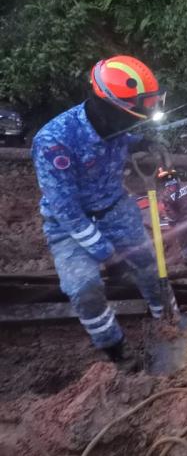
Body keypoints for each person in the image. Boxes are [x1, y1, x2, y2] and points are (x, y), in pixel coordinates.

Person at [31, 55, 167, 368]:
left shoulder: (115, 124)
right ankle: (117, 351)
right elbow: (67, 211)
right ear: (105, 106)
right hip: (69, 225)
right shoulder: (54, 143)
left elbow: (124, 138)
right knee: (85, 291)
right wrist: (106, 253)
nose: (135, 123)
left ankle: (166, 321)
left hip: (115, 208)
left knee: (151, 265)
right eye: (132, 118)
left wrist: (143, 143)